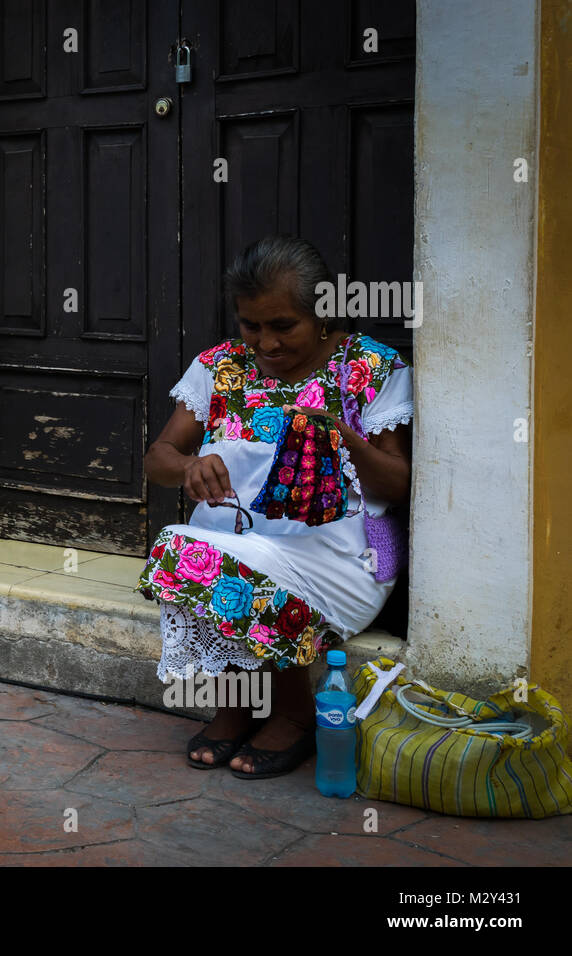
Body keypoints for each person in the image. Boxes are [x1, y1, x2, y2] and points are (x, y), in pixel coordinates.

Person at [137, 236, 412, 778]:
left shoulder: (369, 368)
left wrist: (345, 439)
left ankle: (294, 712)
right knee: (180, 548)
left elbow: (397, 484)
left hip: (341, 560)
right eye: (251, 325)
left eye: (283, 325)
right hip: (242, 549)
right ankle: (238, 706)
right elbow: (157, 456)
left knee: (229, 564)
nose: (266, 342)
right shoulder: (223, 368)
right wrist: (188, 467)